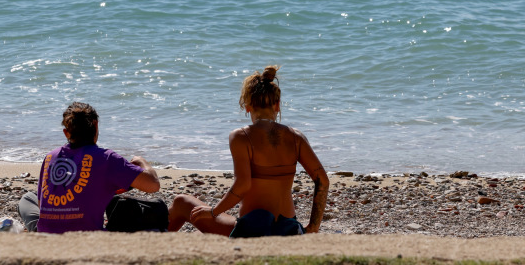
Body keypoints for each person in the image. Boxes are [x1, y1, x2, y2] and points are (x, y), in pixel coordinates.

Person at [168, 66, 329, 237]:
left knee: (181, 202)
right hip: (289, 228)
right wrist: (312, 227)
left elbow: (243, 185)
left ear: (247, 106)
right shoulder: (296, 137)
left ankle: (148, 243)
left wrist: (213, 211)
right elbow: (323, 181)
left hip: (254, 230)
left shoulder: (241, 136)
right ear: (277, 105)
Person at [18, 101, 160, 233]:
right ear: (96, 125)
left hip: (47, 238)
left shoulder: (50, 157)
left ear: (66, 132)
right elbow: (153, 185)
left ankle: (39, 231)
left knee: (28, 198)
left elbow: (41, 203)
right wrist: (142, 162)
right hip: (86, 239)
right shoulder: (107, 158)